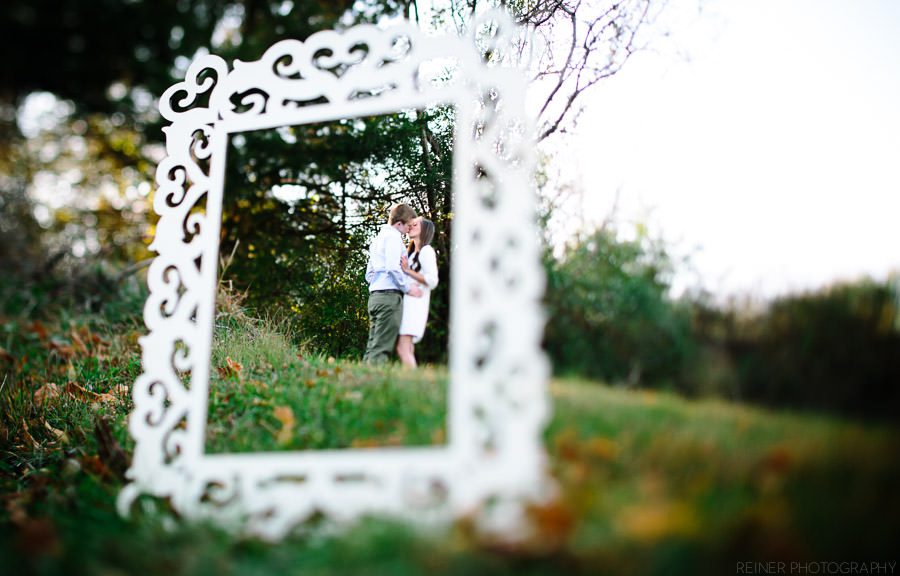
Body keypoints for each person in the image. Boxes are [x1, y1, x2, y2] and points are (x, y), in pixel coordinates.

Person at [363, 204, 422, 363]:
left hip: (374, 297)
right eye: (408, 226)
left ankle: (363, 379)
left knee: (372, 345)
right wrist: (407, 287)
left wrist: (378, 282)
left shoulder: (377, 240)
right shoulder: (394, 237)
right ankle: (375, 383)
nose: (408, 230)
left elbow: (369, 274)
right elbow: (391, 267)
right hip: (389, 297)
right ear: (399, 224)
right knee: (382, 347)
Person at [396, 217, 438, 368]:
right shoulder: (412, 255)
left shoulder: (427, 251)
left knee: (402, 348)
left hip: (416, 306)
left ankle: (411, 382)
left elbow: (432, 280)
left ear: (424, 230)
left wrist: (407, 271)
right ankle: (412, 382)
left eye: (415, 225)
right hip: (407, 304)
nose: (410, 227)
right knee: (407, 348)